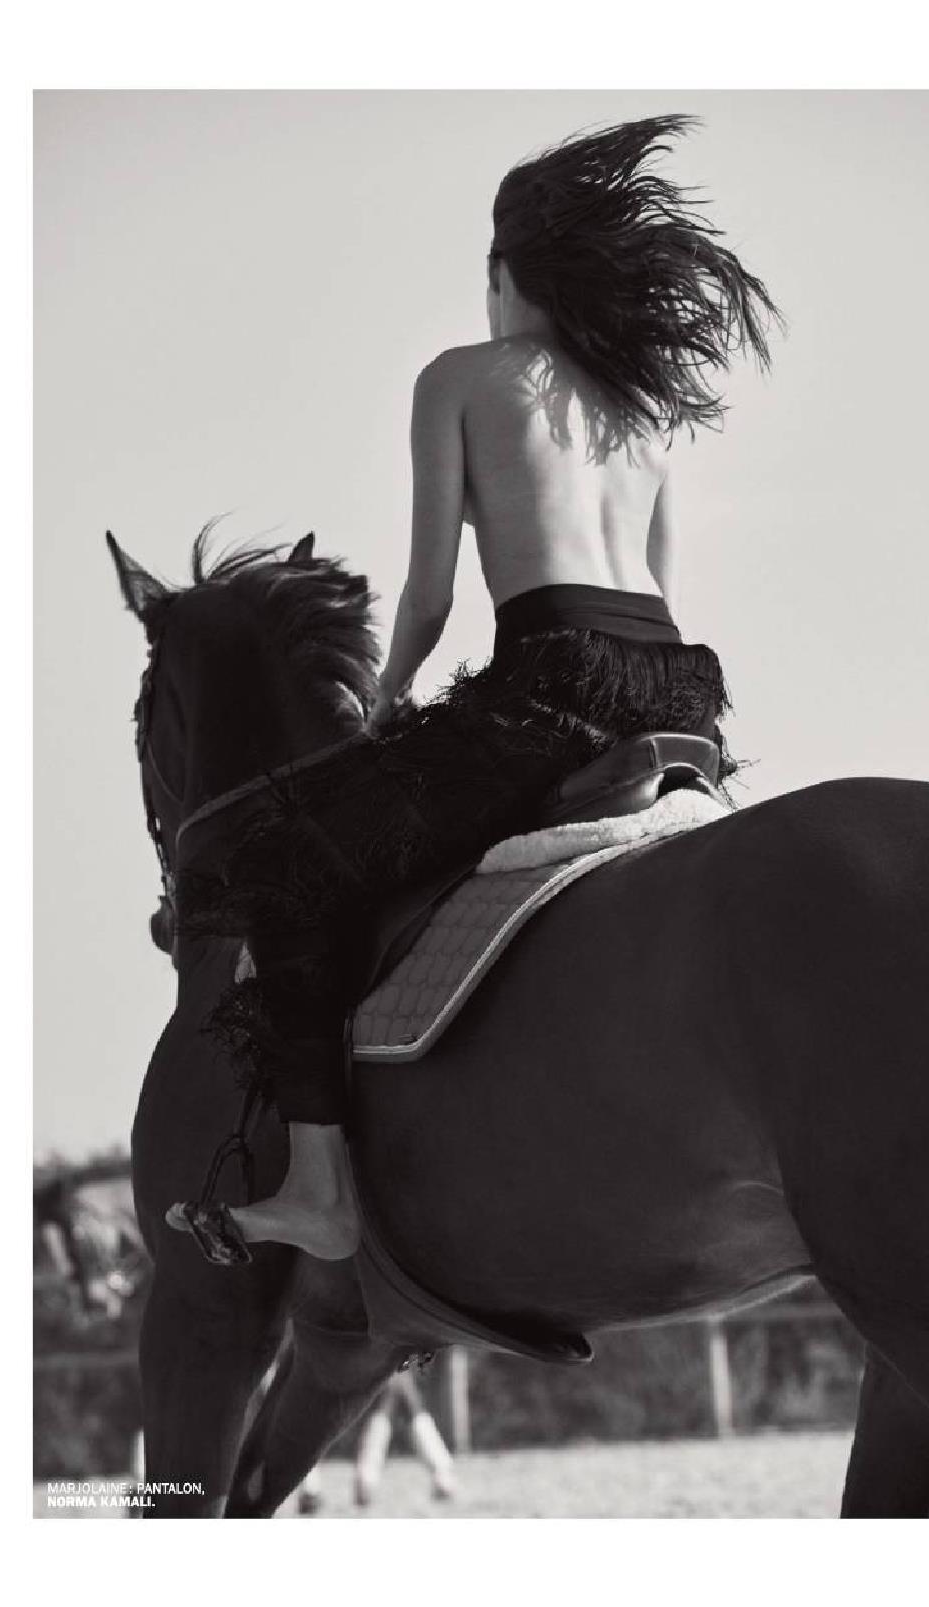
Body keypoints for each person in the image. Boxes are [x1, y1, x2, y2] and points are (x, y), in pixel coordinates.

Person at [168, 114, 780, 1265]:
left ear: (502, 275)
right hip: (677, 689)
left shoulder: (458, 377)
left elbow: (429, 593)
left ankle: (318, 1190)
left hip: (549, 682)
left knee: (283, 863)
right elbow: (657, 587)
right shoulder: (640, 413)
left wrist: (389, 698)